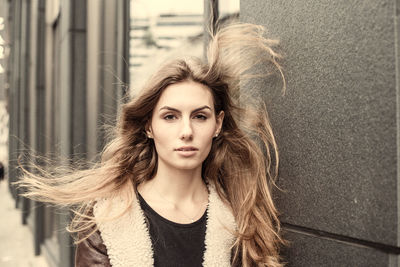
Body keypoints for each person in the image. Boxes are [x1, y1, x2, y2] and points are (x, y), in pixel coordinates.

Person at [18, 22, 285, 267]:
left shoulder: (239, 216)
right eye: (170, 116)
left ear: (217, 124)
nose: (186, 131)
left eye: (200, 116)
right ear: (148, 126)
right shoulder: (107, 218)